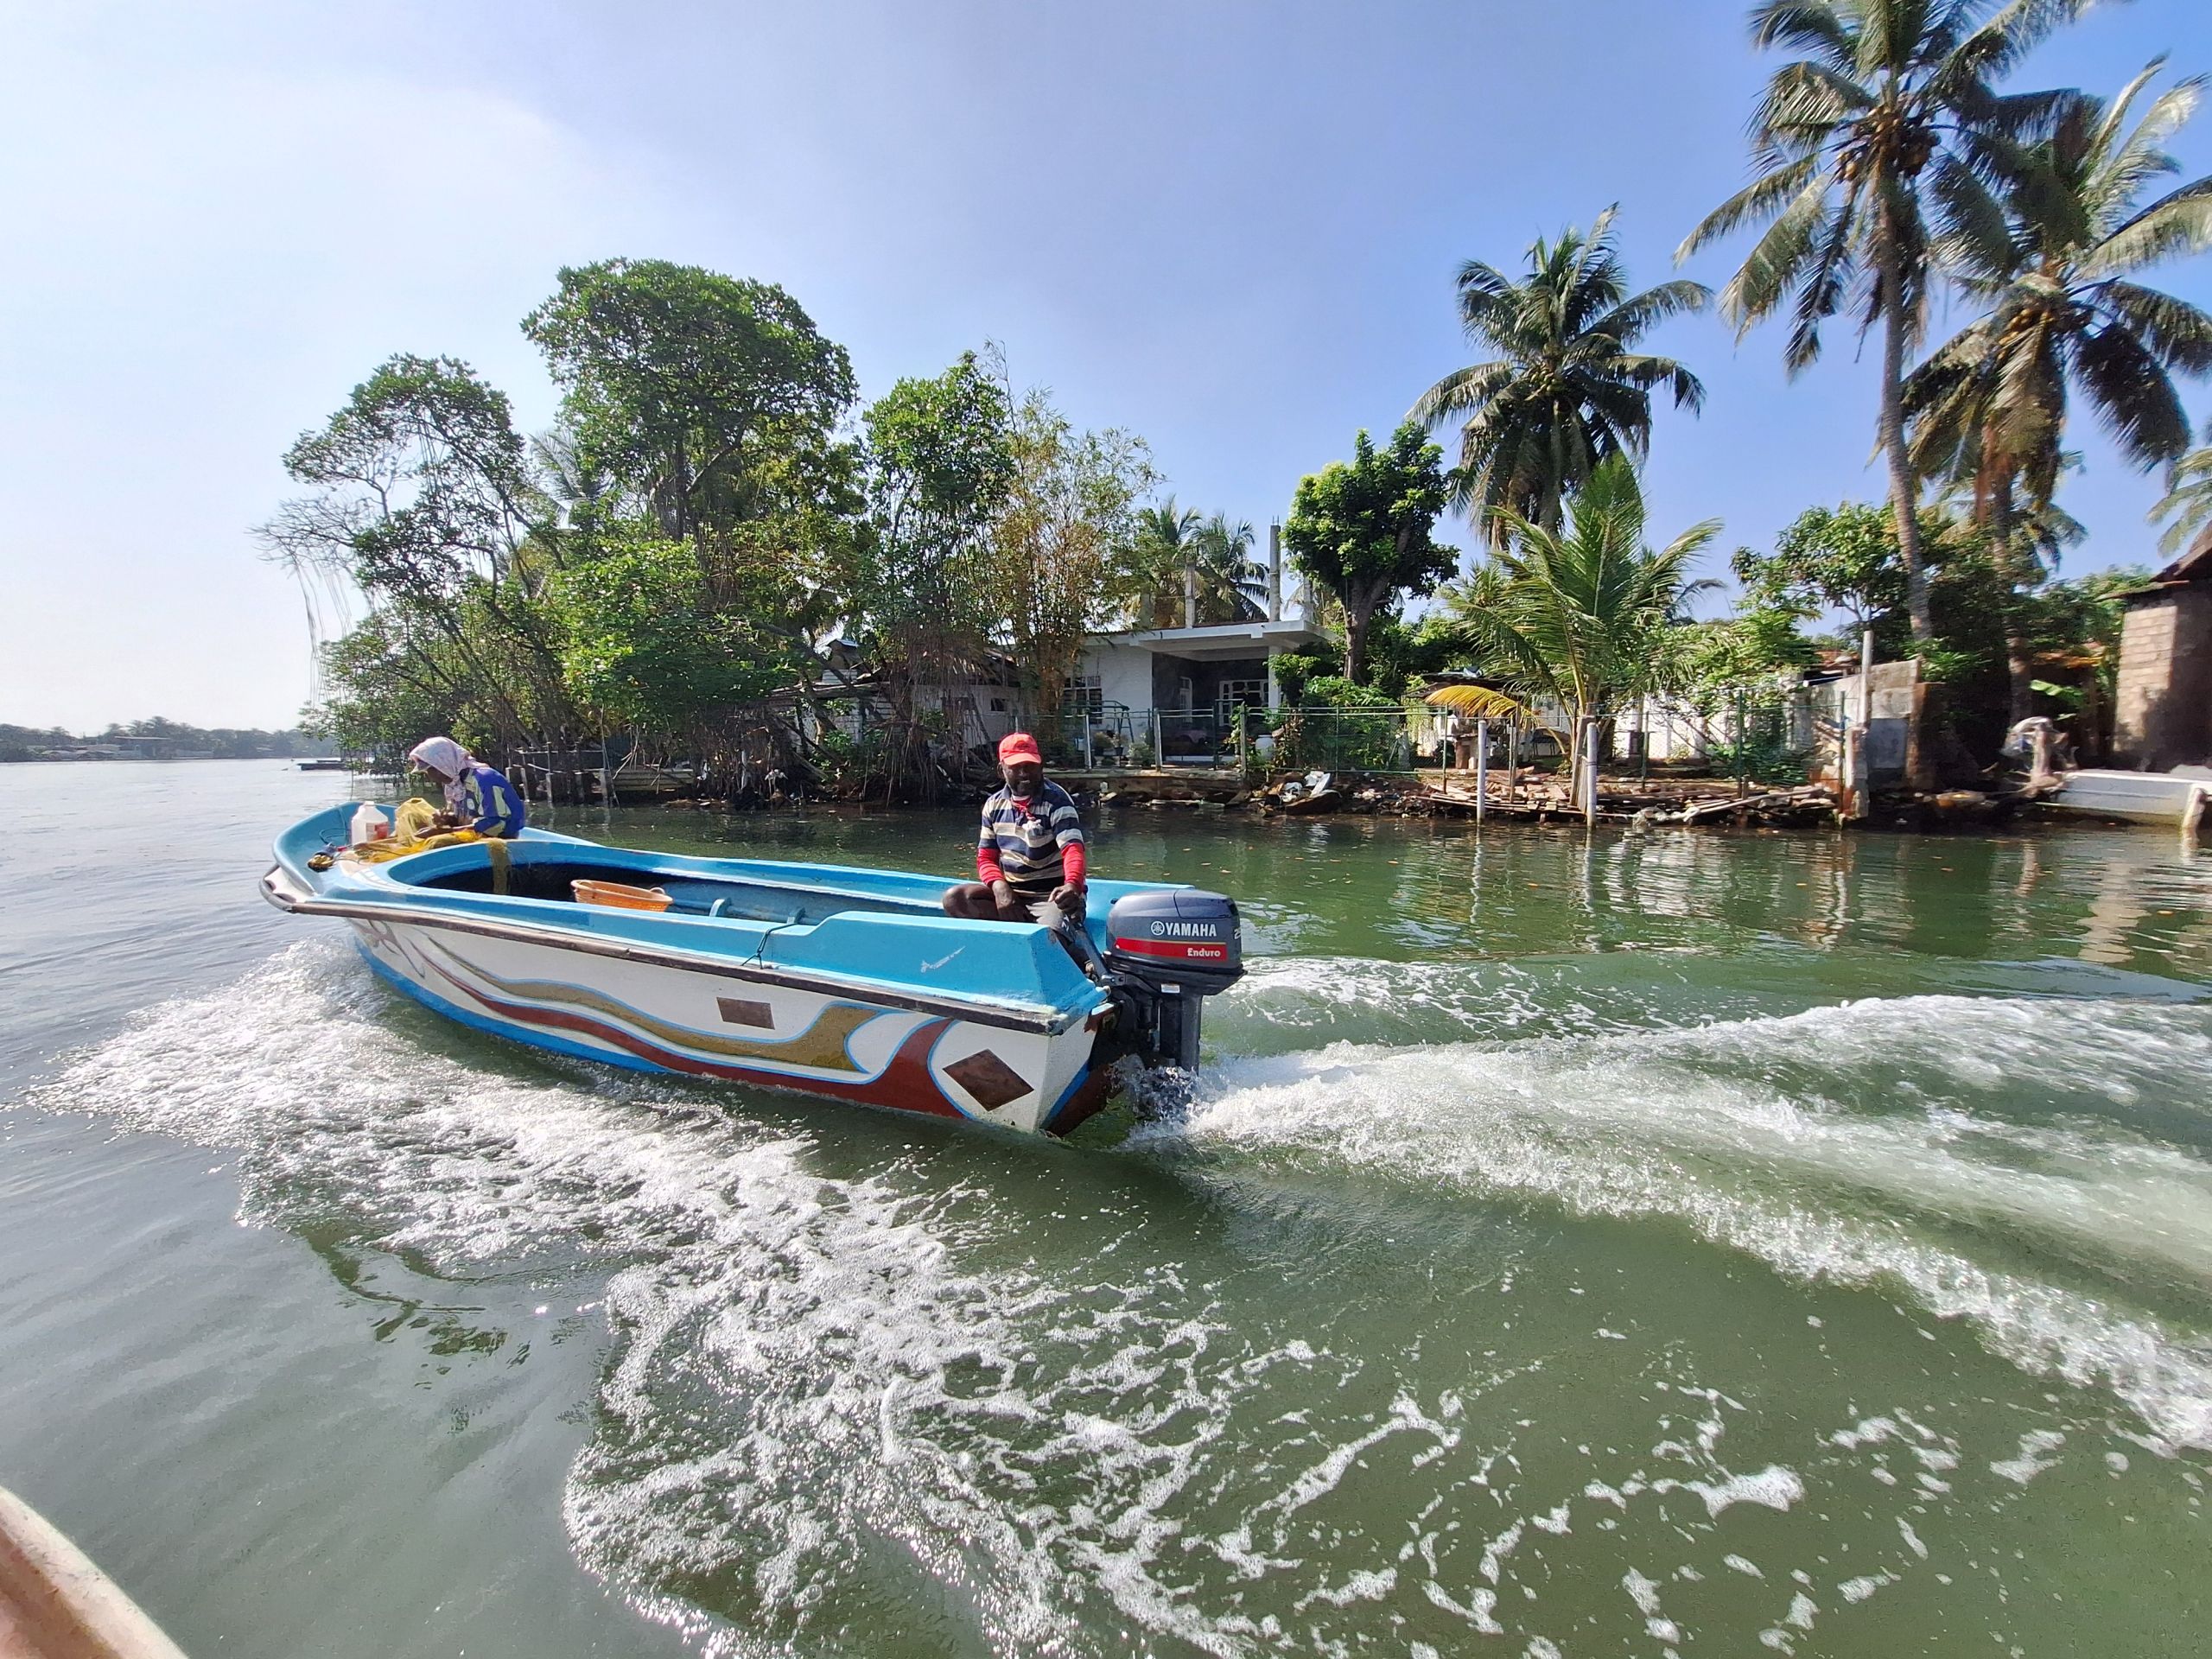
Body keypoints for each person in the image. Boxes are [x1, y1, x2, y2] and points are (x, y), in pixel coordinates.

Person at [942, 732, 1087, 923]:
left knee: (1050, 933)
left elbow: (1073, 849)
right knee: (955, 899)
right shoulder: (993, 805)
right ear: (1001, 769)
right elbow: (986, 858)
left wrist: (1072, 885)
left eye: (1030, 766)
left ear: (1040, 766)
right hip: (1013, 893)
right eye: (1015, 767)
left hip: (1052, 895)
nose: (1024, 773)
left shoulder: (1057, 801)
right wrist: (1000, 888)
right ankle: (1017, 920)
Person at [406, 736, 526, 838]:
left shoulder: (485, 779)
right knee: (411, 814)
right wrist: (447, 819)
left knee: (438, 842)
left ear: (444, 762)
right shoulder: (453, 783)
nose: (432, 777)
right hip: (470, 836)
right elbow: (462, 817)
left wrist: (444, 832)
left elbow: (496, 825)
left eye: (432, 770)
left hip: (499, 839)